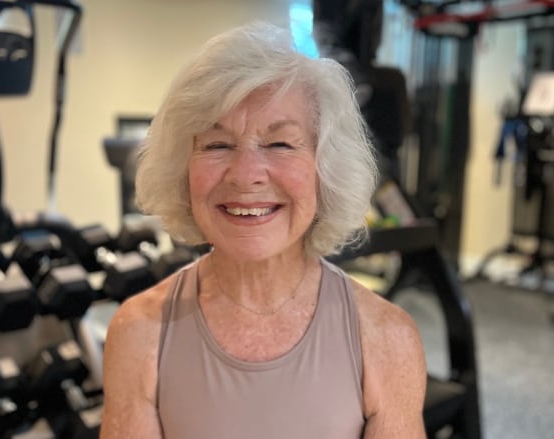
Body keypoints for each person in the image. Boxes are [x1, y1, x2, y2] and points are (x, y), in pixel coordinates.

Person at [100, 22, 426, 439]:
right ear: (183, 170)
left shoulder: (387, 339)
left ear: (325, 171)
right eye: (217, 146)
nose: (247, 174)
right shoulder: (137, 333)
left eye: (281, 144)